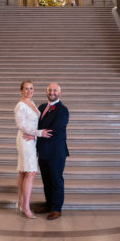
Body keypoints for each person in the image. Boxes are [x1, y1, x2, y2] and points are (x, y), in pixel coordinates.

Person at [30, 82, 69, 220]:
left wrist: (36, 133)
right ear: (46, 92)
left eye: (55, 90)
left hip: (56, 152)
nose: (52, 92)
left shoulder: (62, 110)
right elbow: (34, 124)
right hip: (43, 151)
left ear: (60, 93)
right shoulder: (41, 107)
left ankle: (57, 208)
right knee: (46, 180)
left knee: (56, 180)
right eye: (50, 90)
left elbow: (54, 130)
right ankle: (49, 204)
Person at [14, 81, 51, 219]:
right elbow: (21, 125)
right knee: (31, 172)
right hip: (25, 140)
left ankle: (21, 202)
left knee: (24, 172)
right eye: (26, 89)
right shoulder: (20, 105)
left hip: (32, 139)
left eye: (31, 88)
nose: (29, 91)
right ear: (21, 90)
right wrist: (39, 133)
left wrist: (35, 134)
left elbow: (34, 122)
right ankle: (26, 208)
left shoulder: (32, 103)